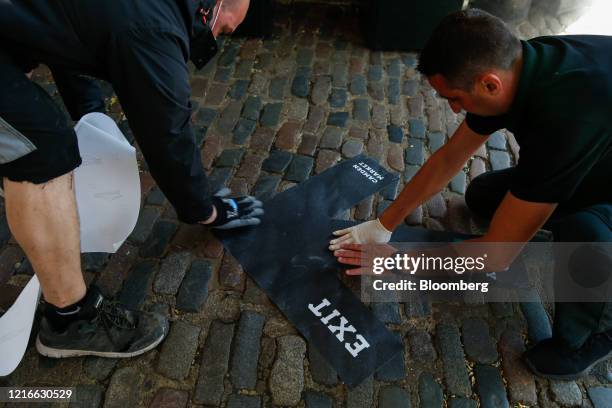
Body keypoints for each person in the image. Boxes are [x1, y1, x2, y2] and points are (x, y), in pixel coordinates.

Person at [330, 9, 612, 380]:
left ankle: (591, 337)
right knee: (482, 197)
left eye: (456, 98)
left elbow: (496, 256)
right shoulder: (517, 65)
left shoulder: (566, 119)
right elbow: (450, 157)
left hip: (594, 162)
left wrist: (399, 263)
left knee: (584, 234)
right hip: (596, 157)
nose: (455, 109)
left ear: (489, 84)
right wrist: (385, 223)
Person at [0, 0, 260, 359]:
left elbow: (65, 29)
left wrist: (90, 113)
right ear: (212, 9)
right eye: (225, 30)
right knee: (43, 152)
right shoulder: (156, 31)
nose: (219, 38)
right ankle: (69, 321)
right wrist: (206, 209)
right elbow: (167, 135)